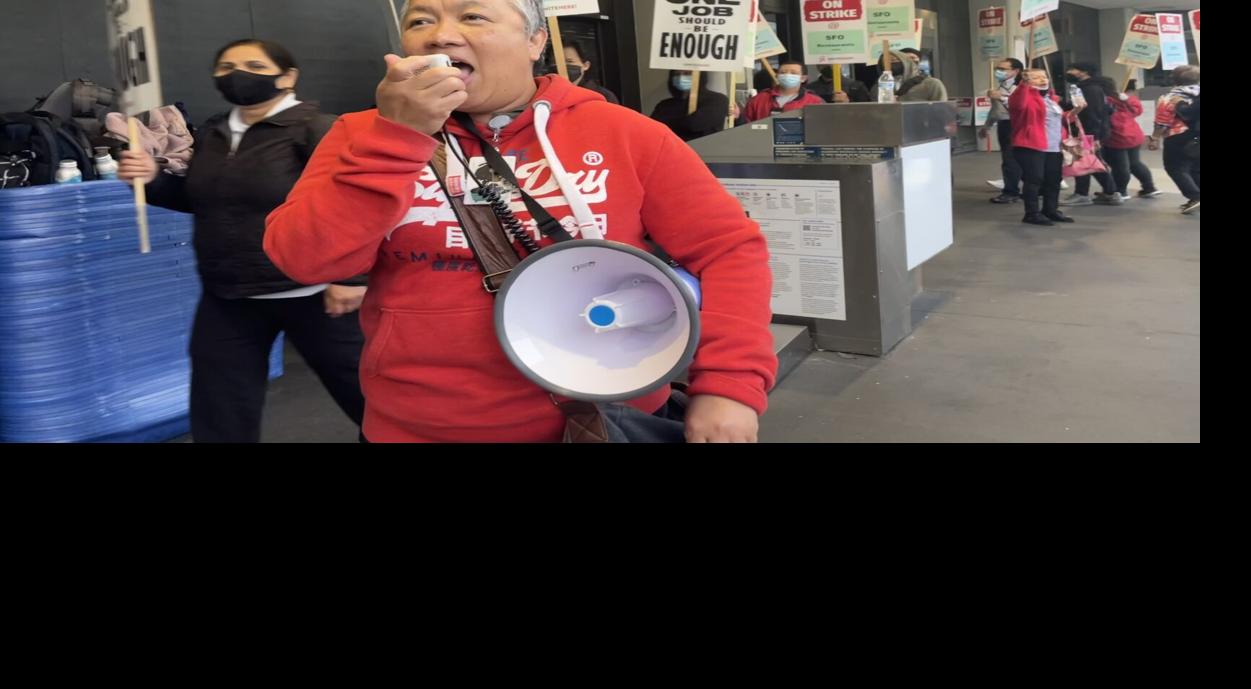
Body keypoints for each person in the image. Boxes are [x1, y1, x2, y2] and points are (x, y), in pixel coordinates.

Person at [264, 0, 777, 442]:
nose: (440, 34)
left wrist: (729, 385)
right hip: (415, 422)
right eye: (419, 21)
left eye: (472, 16)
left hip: (600, 418)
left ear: (535, 40)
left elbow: (728, 251)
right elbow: (305, 259)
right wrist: (396, 140)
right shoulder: (361, 134)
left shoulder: (625, 133)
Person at [117, 38, 366, 443]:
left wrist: (353, 278)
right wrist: (152, 181)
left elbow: (357, 206)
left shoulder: (319, 130)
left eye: (253, 64)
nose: (238, 73)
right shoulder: (215, 132)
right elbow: (206, 201)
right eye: (226, 66)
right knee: (220, 411)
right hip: (228, 296)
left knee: (372, 399)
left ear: (288, 77)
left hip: (315, 293)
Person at [1007, 66, 1074, 226]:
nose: (1043, 80)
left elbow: (1058, 120)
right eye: (1037, 77)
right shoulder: (1021, 96)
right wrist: (1024, 84)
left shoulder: (1051, 99)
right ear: (1027, 80)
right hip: (1031, 145)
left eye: (1044, 76)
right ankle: (1032, 213)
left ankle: (1050, 210)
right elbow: (1019, 105)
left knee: (1054, 179)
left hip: (1053, 145)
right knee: (1034, 179)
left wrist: (1075, 112)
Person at [1059, 62, 1114, 207]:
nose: (1069, 72)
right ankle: (1111, 192)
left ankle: (1082, 193)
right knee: (1092, 161)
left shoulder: (1090, 89)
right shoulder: (1087, 88)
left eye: (1072, 69)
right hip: (1088, 130)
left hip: (1088, 131)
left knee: (1083, 161)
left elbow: (1092, 113)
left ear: (1084, 72)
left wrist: (1094, 136)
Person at [1101, 75, 1160, 203]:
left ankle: (1120, 191)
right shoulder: (1126, 101)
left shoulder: (1107, 101)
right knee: (1135, 163)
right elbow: (1137, 110)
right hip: (1134, 135)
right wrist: (1126, 100)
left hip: (1117, 138)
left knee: (1120, 167)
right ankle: (1149, 187)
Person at [1152, 65, 1200, 214]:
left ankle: (1195, 196)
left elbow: (1162, 121)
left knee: (1175, 167)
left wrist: (1155, 138)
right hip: (1197, 135)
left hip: (1178, 136)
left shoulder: (1170, 97)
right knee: (1196, 167)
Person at [650, 69, 733, 141]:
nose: (681, 78)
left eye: (687, 73)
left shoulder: (718, 100)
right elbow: (653, 130)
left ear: (699, 76)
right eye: (677, 74)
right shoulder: (664, 105)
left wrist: (668, 123)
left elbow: (694, 125)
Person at [986, 57, 1024, 204]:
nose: (999, 72)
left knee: (1011, 159)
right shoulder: (1000, 86)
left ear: (1015, 71)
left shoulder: (1022, 86)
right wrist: (987, 125)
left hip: (1017, 124)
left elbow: (1021, 106)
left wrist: (1002, 97)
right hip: (1004, 124)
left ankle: (1011, 191)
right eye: (998, 69)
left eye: (1003, 69)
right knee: (1009, 158)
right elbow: (996, 110)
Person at [741, 60, 824, 121]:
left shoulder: (814, 101)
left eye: (793, 73)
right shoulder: (758, 99)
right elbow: (745, 125)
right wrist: (738, 117)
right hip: (764, 142)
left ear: (803, 78)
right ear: (777, 76)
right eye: (783, 72)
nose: (787, 75)